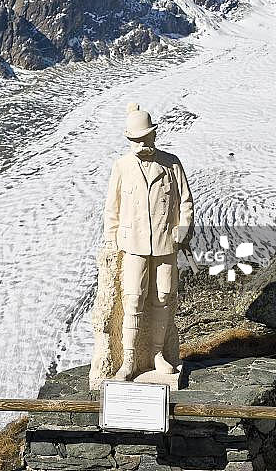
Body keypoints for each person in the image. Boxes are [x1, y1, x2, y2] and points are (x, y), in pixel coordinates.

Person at [103, 103, 194, 381]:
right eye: (135, 140)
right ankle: (129, 360)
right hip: (134, 246)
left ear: (154, 135)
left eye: (144, 138)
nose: (140, 144)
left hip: (165, 244)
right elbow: (112, 209)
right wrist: (111, 241)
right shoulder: (122, 167)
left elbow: (186, 202)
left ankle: (156, 353)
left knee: (163, 298)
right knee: (133, 300)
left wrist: (183, 228)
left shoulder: (171, 163)